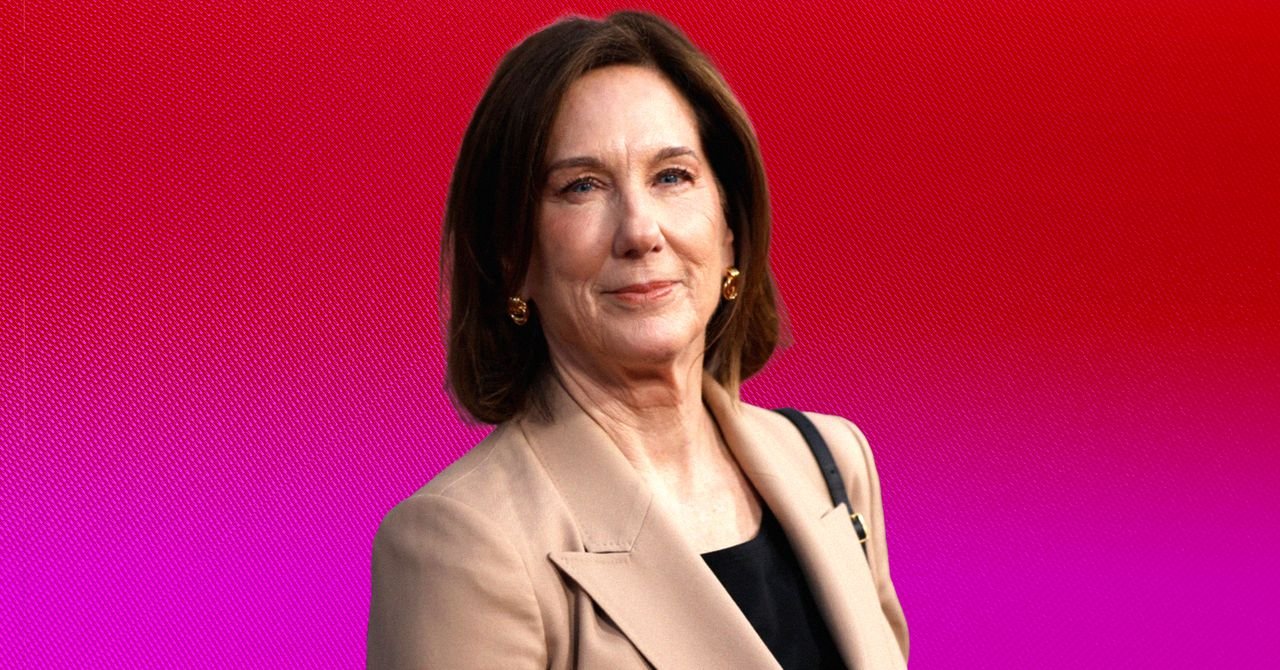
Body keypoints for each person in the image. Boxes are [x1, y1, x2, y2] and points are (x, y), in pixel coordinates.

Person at [368, 11, 908, 669]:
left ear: (730, 229)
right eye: (582, 186)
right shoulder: (463, 543)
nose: (640, 232)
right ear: (513, 257)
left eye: (672, 176)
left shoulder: (831, 462)